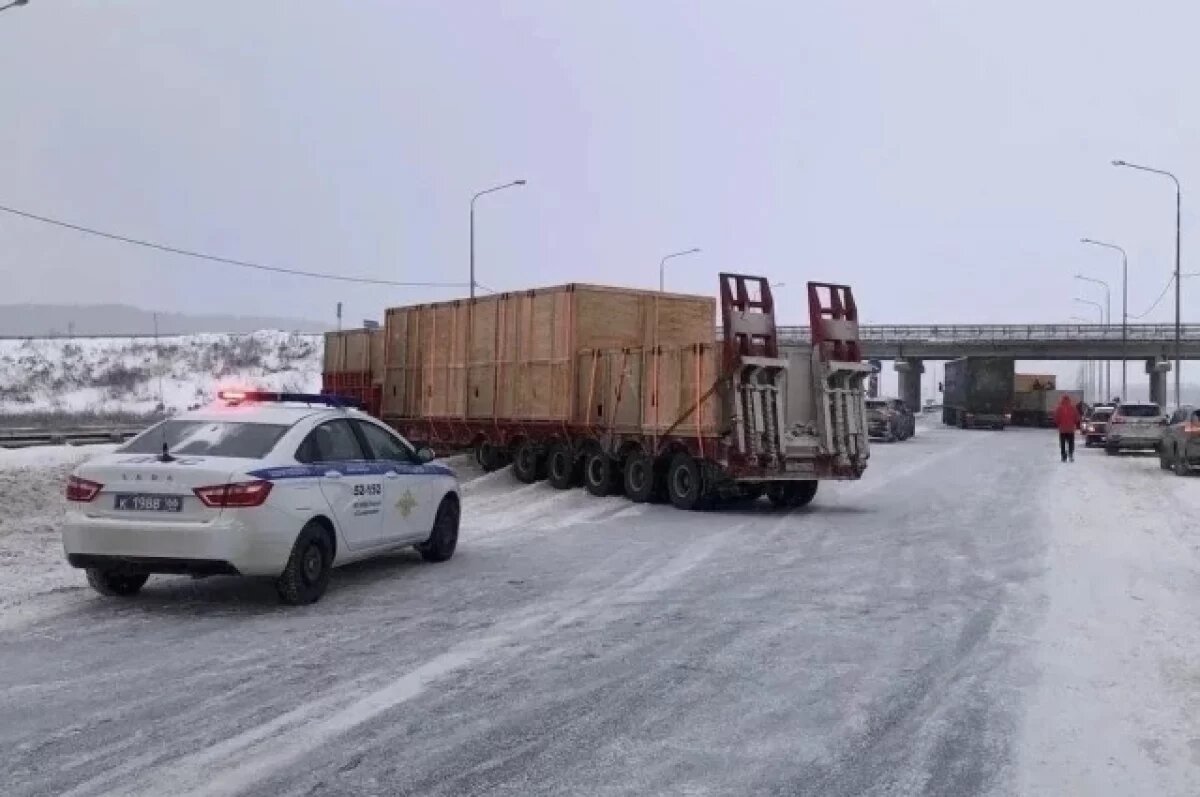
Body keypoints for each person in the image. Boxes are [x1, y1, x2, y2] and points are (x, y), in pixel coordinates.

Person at [1054, 393, 1080, 462]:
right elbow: (1077, 418)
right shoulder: (1073, 408)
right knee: (1071, 443)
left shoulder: (1059, 408)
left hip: (1062, 430)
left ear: (1062, 400)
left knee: (1063, 443)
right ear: (1069, 400)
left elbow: (1056, 418)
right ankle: (1070, 454)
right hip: (1071, 429)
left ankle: (1063, 456)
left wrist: (1058, 424)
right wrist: (1074, 423)